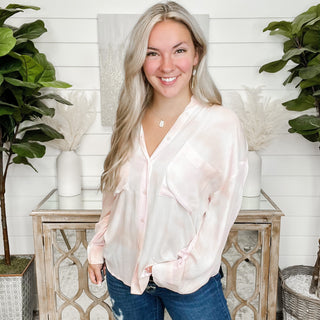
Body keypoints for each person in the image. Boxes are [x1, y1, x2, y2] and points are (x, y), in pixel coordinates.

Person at [88, 1, 248, 319]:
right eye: (152, 53)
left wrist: (182, 271)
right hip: (123, 276)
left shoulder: (221, 124)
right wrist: (97, 246)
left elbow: (222, 211)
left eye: (178, 50)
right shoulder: (129, 119)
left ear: (196, 55)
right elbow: (113, 195)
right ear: (140, 60)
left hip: (189, 284)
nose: (166, 66)